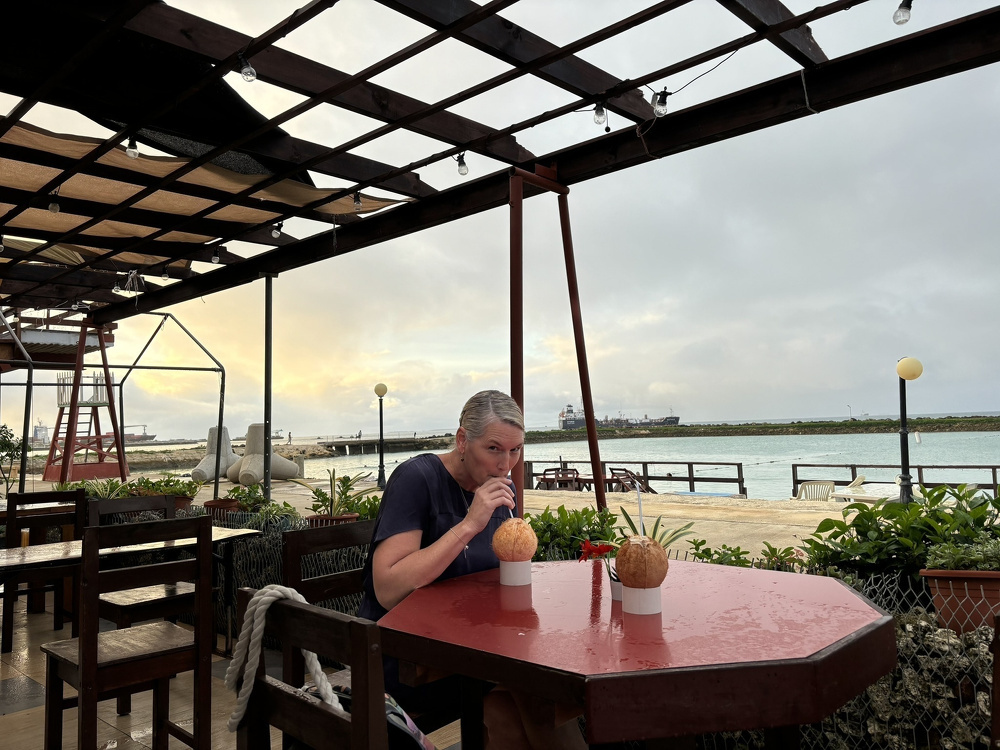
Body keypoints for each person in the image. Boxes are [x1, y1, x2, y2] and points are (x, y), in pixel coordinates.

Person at [359, 390, 585, 750]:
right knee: (535, 689)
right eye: (494, 448)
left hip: (476, 648)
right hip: (408, 660)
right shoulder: (416, 479)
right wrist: (469, 524)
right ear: (463, 440)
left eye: (516, 450)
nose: (506, 464)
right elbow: (387, 589)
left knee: (513, 702)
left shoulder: (495, 486)